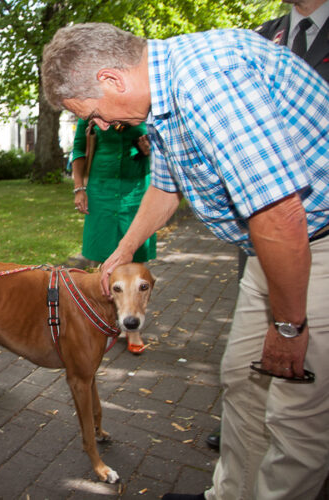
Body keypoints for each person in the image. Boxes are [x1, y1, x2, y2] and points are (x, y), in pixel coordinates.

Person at [41, 23, 329, 500]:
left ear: (113, 80)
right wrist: (124, 250)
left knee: (295, 413)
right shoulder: (165, 96)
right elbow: (166, 186)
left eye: (95, 114)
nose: (105, 127)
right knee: (242, 380)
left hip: (312, 246)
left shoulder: (209, 81)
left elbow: (280, 213)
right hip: (272, 248)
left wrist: (288, 327)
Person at [205, 0, 329, 454]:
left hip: (315, 229)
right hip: (262, 235)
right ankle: (238, 472)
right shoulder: (263, 34)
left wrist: (290, 325)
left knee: (298, 400)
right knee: (244, 371)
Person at [70, 118, 156, 354]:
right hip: (101, 191)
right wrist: (80, 188)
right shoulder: (89, 112)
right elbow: (79, 149)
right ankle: (101, 320)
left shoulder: (144, 111)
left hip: (136, 191)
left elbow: (166, 150)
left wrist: (151, 151)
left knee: (135, 266)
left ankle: (133, 326)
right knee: (100, 260)